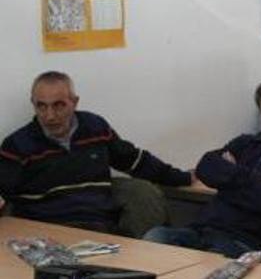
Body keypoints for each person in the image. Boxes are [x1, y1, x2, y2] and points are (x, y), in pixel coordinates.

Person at [145, 76, 261, 263]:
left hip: (246, 245)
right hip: (203, 231)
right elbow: (206, 166)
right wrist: (255, 178)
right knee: (154, 238)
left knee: (202, 266)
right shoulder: (246, 142)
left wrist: (227, 181)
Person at [0, 71, 192, 233]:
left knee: (146, 197)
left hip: (100, 227)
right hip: (49, 232)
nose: (49, 116)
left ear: (74, 102)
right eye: (41, 106)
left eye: (59, 105)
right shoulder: (18, 145)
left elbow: (133, 160)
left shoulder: (95, 127)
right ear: (33, 104)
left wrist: (184, 178)